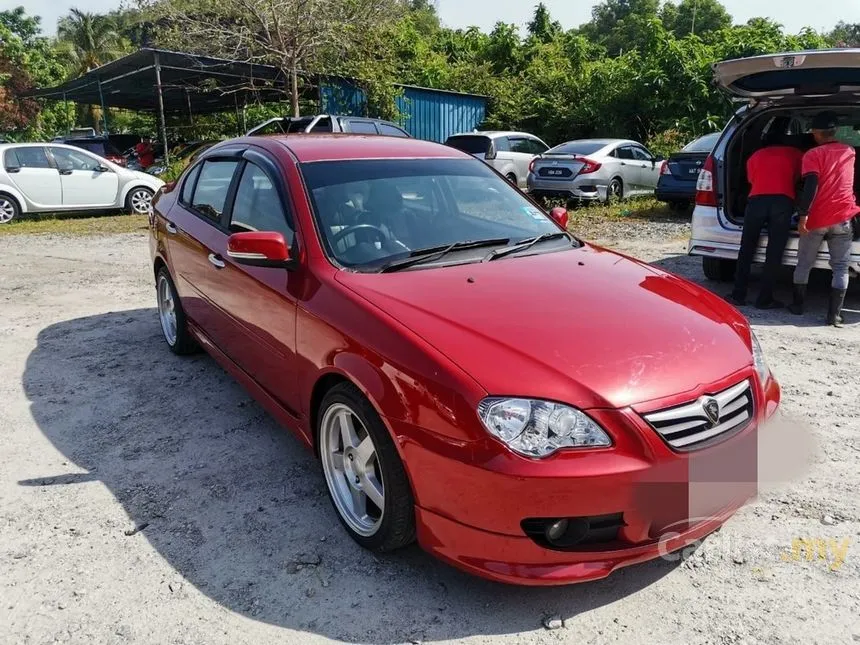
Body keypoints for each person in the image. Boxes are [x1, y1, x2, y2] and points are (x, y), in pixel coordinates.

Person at [789, 111, 858, 327]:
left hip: (817, 218)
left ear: (817, 133)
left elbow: (810, 186)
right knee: (840, 266)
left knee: (804, 263)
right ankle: (834, 316)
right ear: (834, 131)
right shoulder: (850, 151)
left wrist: (803, 215)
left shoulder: (812, 155)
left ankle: (798, 306)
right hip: (843, 216)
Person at [729, 129, 803, 308]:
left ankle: (738, 295)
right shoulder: (796, 154)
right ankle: (764, 299)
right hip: (782, 201)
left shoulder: (755, 155)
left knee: (746, 249)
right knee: (774, 252)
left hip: (756, 201)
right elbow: (801, 178)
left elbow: (751, 179)